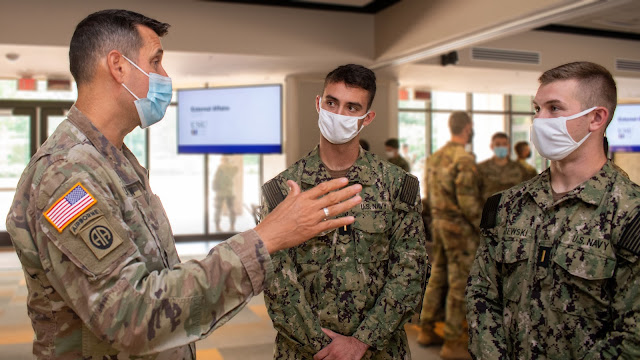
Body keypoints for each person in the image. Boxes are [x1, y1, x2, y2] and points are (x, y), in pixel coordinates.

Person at [5, 10, 363, 359]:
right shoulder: (66, 174)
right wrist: (265, 240)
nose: (164, 75)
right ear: (118, 66)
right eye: (156, 61)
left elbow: (154, 281)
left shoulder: (113, 159)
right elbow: (131, 316)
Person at [467, 61, 640, 359]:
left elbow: (632, 335)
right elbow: (480, 296)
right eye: (537, 109)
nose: (540, 120)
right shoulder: (506, 205)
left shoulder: (629, 212)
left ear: (596, 118)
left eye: (554, 108)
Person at [261, 64, 428, 360]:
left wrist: (360, 342)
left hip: (380, 350)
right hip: (304, 352)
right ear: (318, 104)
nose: (338, 114)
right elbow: (277, 283)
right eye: (331, 103)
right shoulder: (283, 189)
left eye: (352, 107)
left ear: (367, 118)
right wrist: (323, 348)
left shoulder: (398, 186)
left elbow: (410, 271)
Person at [417, 111, 482, 360]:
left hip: (440, 225)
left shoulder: (434, 158)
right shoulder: (463, 159)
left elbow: (430, 195)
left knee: (437, 276)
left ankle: (426, 329)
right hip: (460, 230)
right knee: (459, 283)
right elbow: (467, 202)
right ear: (467, 128)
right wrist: (482, 227)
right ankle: (453, 341)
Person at [477, 132, 528, 204]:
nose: (501, 147)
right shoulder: (481, 169)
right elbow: (474, 194)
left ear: (509, 146)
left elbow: (527, 192)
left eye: (504, 144)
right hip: (489, 212)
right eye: (497, 144)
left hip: (513, 212)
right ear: (492, 146)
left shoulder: (520, 169)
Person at [213, 155, 238, 232]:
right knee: (231, 209)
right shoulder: (233, 168)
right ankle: (232, 226)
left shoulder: (220, 168)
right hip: (230, 191)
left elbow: (216, 179)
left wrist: (214, 188)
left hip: (220, 192)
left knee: (218, 209)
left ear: (223, 160)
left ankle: (217, 227)